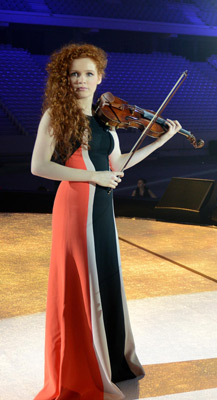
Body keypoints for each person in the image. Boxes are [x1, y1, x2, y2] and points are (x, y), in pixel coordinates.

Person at [30, 43, 181, 400]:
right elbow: (40, 166)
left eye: (88, 73)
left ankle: (112, 361)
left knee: (105, 280)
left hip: (101, 208)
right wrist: (92, 178)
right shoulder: (56, 115)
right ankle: (84, 367)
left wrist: (162, 141)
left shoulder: (105, 122)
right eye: (74, 74)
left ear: (100, 78)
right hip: (75, 206)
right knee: (82, 284)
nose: (81, 80)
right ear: (65, 79)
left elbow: (117, 165)